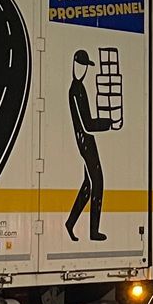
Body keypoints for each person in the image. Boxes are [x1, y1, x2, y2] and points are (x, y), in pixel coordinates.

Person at [65, 49, 113, 241]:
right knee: (98, 183)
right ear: (74, 66)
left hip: (86, 139)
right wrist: (107, 122)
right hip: (85, 140)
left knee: (88, 185)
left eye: (85, 67)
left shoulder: (80, 88)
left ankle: (70, 223)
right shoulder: (75, 90)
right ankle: (93, 231)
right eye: (80, 65)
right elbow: (86, 123)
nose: (82, 69)